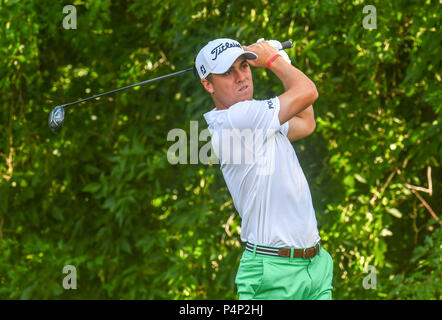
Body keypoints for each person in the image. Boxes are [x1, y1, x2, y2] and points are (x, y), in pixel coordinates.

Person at [195, 38, 333, 300]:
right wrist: (272, 60)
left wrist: (283, 60)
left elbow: (306, 122)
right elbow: (308, 92)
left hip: (315, 265)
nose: (241, 77)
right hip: (272, 272)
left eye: (244, 66)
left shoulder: (258, 118)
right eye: (227, 72)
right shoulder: (237, 119)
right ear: (207, 84)